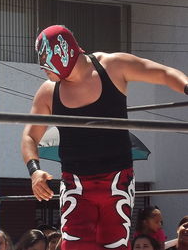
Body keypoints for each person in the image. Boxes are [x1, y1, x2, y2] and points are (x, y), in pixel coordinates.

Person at [21, 25, 188, 250]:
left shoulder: (112, 66)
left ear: (61, 53)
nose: (42, 67)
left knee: (117, 245)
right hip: (76, 184)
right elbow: (30, 135)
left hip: (117, 179)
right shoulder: (49, 91)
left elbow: (162, 73)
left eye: (44, 58)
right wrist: (34, 170)